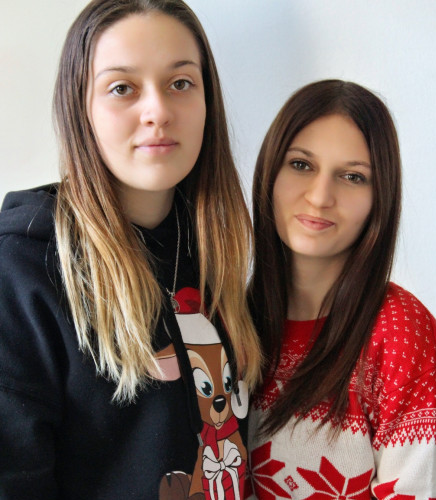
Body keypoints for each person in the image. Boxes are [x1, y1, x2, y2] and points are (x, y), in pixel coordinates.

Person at [0, 1, 261, 498]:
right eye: (122, 88)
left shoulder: (214, 249)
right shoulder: (23, 269)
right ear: (80, 108)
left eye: (180, 83)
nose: (158, 111)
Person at [246, 80, 436, 499]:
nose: (320, 196)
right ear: (269, 173)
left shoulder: (400, 331)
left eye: (352, 176)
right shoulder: (232, 321)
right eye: (301, 164)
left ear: (379, 197)